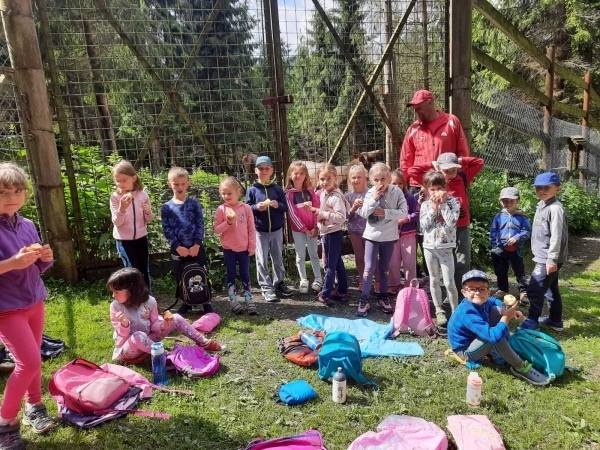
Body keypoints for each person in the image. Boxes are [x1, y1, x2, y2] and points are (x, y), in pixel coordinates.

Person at [0, 163, 56, 448]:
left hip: (34, 301)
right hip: (6, 308)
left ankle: (34, 405)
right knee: (29, 361)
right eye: (3, 192)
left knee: (33, 359)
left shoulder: (28, 225)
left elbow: (38, 268)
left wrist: (44, 258)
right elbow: (12, 265)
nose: (11, 197)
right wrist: (12, 263)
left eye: (17, 191)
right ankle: (5, 423)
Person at [447, 270, 550, 386]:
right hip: (465, 352)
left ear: (488, 292)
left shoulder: (484, 300)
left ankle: (500, 356)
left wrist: (512, 311)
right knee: (495, 336)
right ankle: (520, 367)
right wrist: (506, 317)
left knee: (496, 310)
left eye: (482, 289)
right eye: (472, 289)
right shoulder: (467, 312)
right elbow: (493, 337)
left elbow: (495, 301)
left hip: (476, 340)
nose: (477, 293)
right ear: (464, 292)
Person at [108, 268, 223, 362]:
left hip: (149, 340)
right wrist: (124, 324)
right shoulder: (116, 307)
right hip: (129, 349)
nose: (113, 295)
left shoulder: (150, 301)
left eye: (116, 292)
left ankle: (203, 342)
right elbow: (122, 336)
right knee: (138, 336)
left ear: (132, 291)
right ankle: (168, 356)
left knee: (176, 318)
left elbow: (153, 324)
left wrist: (162, 325)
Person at [409, 152, 484, 292]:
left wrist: (459, 160)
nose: (449, 174)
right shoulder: (435, 182)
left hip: (461, 226)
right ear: (439, 169)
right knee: (445, 262)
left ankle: (461, 291)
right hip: (441, 230)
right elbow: (412, 171)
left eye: (453, 170)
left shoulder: (463, 177)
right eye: (446, 170)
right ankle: (446, 289)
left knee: (462, 259)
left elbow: (479, 162)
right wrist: (432, 163)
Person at [356, 163, 408, 316]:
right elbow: (363, 213)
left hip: (389, 236)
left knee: (385, 268)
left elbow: (404, 212)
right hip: (371, 236)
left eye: (383, 179)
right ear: (371, 180)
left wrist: (385, 213)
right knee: (369, 268)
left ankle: (383, 297)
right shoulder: (370, 193)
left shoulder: (397, 192)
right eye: (376, 180)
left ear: (389, 178)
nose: (380, 183)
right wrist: (373, 199)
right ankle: (364, 300)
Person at [161, 167, 213, 315]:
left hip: (196, 248)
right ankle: (186, 302)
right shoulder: (166, 207)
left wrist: (197, 243)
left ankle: (206, 301)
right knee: (181, 275)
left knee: (202, 272)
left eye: (183, 184)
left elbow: (200, 224)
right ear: (169, 184)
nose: (180, 187)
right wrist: (177, 246)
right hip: (178, 249)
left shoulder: (194, 204)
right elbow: (167, 229)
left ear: (188, 183)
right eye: (176, 184)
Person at [520, 172, 568, 331]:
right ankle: (555, 320)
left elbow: (557, 235)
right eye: (538, 188)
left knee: (534, 289)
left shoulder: (555, 208)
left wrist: (551, 259)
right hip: (544, 256)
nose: (542, 190)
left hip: (548, 257)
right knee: (550, 288)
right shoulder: (542, 205)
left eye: (546, 187)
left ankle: (532, 321)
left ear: (558, 189)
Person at [400, 89, 470, 192]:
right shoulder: (413, 129)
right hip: (419, 184)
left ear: (430, 103)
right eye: (415, 108)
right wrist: (404, 184)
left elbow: (463, 152)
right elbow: (406, 159)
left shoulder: (451, 122)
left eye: (419, 107)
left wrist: (457, 177)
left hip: (446, 182)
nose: (416, 111)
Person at [245, 156, 292, 302]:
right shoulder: (252, 190)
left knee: (278, 258)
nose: (264, 171)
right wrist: (256, 207)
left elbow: (285, 207)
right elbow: (247, 209)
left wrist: (278, 205)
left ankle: (279, 283)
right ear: (256, 171)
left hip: (277, 230)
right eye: (261, 168)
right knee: (261, 260)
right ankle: (266, 287)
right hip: (260, 231)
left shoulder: (277, 189)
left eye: (267, 168)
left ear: (271, 170)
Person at [419, 170, 460, 326]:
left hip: (446, 247)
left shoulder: (453, 202)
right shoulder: (425, 204)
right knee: (434, 279)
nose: (436, 192)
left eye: (439, 188)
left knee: (449, 282)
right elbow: (424, 225)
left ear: (445, 187)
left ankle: (455, 312)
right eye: (432, 189)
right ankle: (439, 309)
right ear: (427, 189)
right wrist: (433, 209)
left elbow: (451, 222)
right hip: (429, 247)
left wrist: (442, 205)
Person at [213, 177, 257, 315]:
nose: (226, 196)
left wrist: (252, 246)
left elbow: (251, 229)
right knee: (231, 273)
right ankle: (233, 299)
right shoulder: (221, 209)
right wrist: (228, 223)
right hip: (229, 249)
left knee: (245, 274)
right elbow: (216, 229)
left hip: (244, 248)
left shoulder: (246, 208)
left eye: (229, 193)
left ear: (238, 192)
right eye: (223, 193)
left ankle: (249, 298)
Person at [307, 164, 348, 306]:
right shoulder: (325, 193)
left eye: (328, 178)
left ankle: (325, 293)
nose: (325, 182)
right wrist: (315, 211)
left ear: (335, 177)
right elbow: (325, 211)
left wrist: (322, 214)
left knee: (330, 265)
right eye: (322, 179)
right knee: (338, 263)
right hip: (327, 232)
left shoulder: (335, 197)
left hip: (332, 234)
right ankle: (342, 291)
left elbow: (341, 217)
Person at [110, 160, 155, 289]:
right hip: (124, 240)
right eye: (118, 181)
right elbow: (117, 222)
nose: (120, 183)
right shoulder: (115, 197)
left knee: (143, 268)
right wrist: (122, 209)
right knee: (132, 271)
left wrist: (148, 212)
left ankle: (147, 296)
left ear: (133, 178)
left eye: (124, 180)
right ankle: (134, 297)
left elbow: (149, 219)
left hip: (141, 238)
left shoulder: (143, 195)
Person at [284, 162, 323, 294]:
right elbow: (292, 214)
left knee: (314, 253)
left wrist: (315, 227)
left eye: (301, 173)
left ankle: (318, 278)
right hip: (299, 230)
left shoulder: (310, 191)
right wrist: (304, 229)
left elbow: (316, 209)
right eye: (296, 173)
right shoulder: (288, 194)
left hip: (312, 229)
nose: (298, 176)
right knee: (300, 254)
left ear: (305, 175)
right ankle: (303, 280)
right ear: (290, 175)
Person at [489, 187, 531, 302]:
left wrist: (517, 238)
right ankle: (502, 289)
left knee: (519, 270)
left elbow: (526, 231)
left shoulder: (522, 217)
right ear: (500, 201)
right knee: (500, 270)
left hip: (516, 249)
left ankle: (523, 291)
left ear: (518, 201)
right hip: (500, 248)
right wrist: (495, 245)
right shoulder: (498, 216)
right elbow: (493, 231)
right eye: (505, 201)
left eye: (511, 201)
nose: (508, 203)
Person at [387, 170, 418, 294]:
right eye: (394, 183)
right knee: (393, 261)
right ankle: (394, 284)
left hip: (408, 234)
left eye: (400, 183)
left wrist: (406, 219)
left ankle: (410, 287)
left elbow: (417, 213)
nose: (397, 186)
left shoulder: (410, 198)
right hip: (391, 235)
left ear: (404, 184)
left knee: (409, 262)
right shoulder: (386, 199)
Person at [345, 164, 369, 290]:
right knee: (359, 257)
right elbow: (345, 216)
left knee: (371, 257)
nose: (356, 180)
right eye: (353, 177)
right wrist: (353, 208)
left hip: (369, 230)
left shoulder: (370, 194)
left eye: (359, 177)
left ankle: (377, 280)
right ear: (350, 180)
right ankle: (362, 279)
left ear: (365, 178)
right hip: (354, 230)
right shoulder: (347, 196)